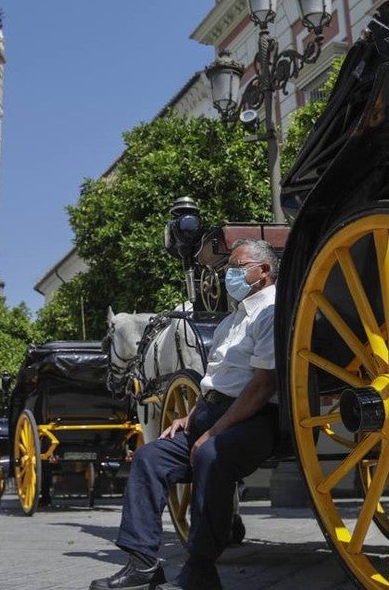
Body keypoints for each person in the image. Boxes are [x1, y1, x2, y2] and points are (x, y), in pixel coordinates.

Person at [90, 239, 279, 590]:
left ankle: (200, 568)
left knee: (211, 455)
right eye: (229, 269)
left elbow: (262, 385)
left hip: (253, 420)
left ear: (264, 271)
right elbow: (215, 382)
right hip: (211, 415)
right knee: (149, 457)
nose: (229, 275)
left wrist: (212, 432)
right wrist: (190, 417)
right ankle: (143, 563)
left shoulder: (270, 312)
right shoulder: (231, 322)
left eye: (237, 268)